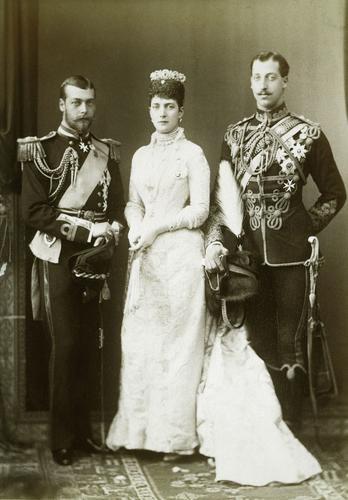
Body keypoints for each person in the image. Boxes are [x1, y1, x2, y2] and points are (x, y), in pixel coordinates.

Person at [198, 50, 346, 485]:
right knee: (254, 344)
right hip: (248, 263)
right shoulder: (235, 135)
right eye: (256, 78)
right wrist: (221, 245)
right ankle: (260, 436)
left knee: (290, 346)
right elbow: (220, 205)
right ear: (250, 83)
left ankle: (291, 435)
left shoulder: (308, 134)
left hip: (293, 260)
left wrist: (304, 230)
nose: (263, 86)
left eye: (271, 78)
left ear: (285, 82)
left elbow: (334, 193)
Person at [19, 75, 125, 466]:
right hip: (58, 255)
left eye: (90, 103)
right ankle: (62, 439)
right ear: (61, 105)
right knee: (65, 348)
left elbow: (116, 207)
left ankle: (84, 432)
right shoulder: (39, 151)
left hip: (95, 258)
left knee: (89, 347)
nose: (84, 110)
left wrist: (113, 228)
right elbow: (34, 211)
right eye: (76, 102)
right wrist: (86, 229)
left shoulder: (107, 153)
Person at [106, 69, 210, 459]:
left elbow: (199, 211)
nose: (162, 113)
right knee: (141, 343)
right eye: (156, 106)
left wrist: (156, 227)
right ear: (148, 110)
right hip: (146, 257)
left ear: (181, 112)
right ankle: (140, 435)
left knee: (179, 347)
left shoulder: (193, 154)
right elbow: (133, 202)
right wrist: (136, 226)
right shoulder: (141, 155)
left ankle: (175, 439)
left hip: (182, 256)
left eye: (169, 106)